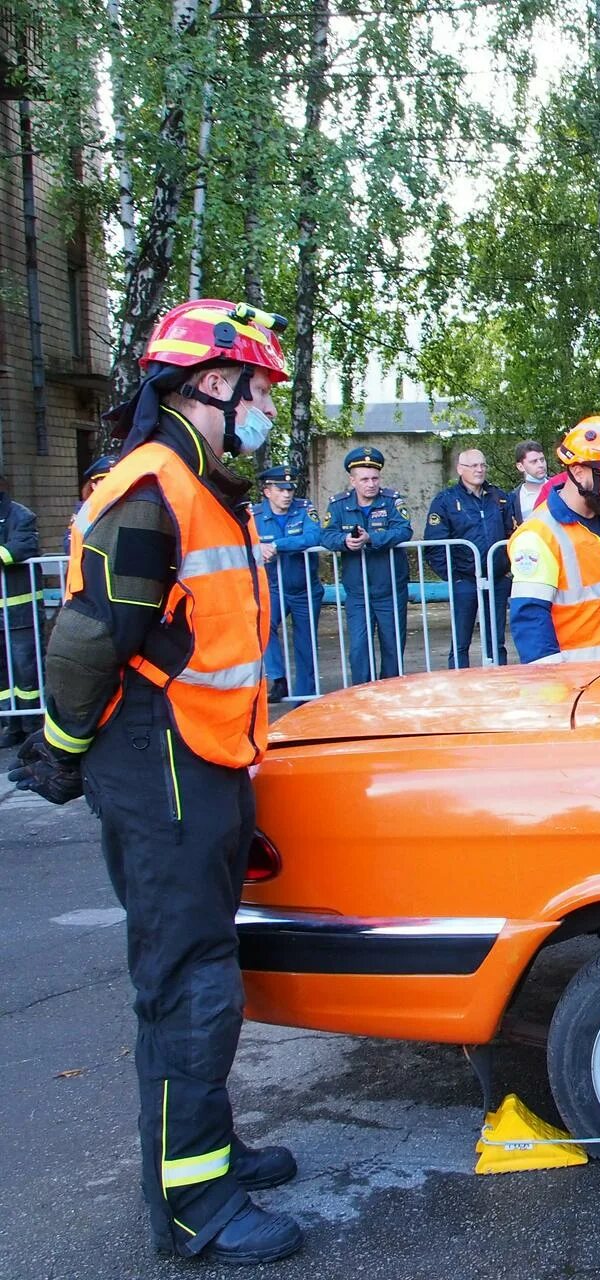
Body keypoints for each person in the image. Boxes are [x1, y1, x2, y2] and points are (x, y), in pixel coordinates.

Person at [10, 298, 304, 1264]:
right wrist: (58, 749)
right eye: (260, 389)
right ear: (214, 384)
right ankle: (196, 1205)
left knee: (206, 968)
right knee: (190, 986)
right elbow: (93, 637)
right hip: (160, 759)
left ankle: (210, 1153)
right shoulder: (152, 488)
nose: (266, 409)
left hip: (200, 758)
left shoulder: (195, 480)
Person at [507, 416, 600, 664]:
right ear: (579, 472)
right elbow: (531, 618)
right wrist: (552, 687)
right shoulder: (539, 536)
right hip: (574, 681)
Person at [320, 447, 414, 684]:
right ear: (353, 480)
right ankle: (361, 694)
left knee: (392, 648)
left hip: (390, 588)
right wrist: (345, 541)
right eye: (364, 479)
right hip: (358, 592)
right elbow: (326, 536)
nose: (371, 484)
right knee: (359, 650)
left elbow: (404, 530)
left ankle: (390, 693)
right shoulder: (339, 505)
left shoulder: (392, 501)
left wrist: (371, 538)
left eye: (375, 478)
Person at [424, 448, 516, 668]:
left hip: (497, 580)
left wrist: (507, 569)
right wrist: (454, 576)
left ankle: (499, 684)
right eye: (473, 465)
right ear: (460, 469)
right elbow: (434, 545)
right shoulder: (445, 500)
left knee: (496, 640)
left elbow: (512, 535)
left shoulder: (499, 497)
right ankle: (459, 686)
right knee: (461, 640)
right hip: (464, 581)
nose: (479, 470)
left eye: (482, 465)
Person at [250, 466, 321, 701]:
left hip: (305, 589)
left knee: (305, 645)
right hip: (273, 587)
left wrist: (278, 545)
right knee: (263, 624)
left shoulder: (304, 509)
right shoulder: (255, 516)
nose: (287, 494)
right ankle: (278, 678)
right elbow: (240, 542)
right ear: (267, 491)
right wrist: (256, 548)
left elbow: (314, 536)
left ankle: (303, 700)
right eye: (281, 489)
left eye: (290, 489)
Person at [1, 476, 40, 749]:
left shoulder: (19, 515)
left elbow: (21, 547)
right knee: (2, 676)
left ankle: (32, 724)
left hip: (19, 612)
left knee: (26, 671)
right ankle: (9, 723)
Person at [512, 439, 548, 522]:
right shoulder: (514, 499)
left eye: (542, 460)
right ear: (520, 467)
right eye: (534, 462)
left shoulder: (560, 486)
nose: (541, 465)